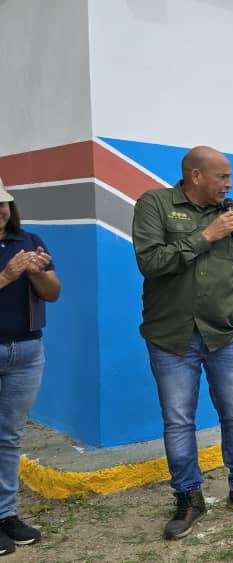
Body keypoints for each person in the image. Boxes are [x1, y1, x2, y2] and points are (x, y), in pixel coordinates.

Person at [132, 146, 233, 541]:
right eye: (222, 177)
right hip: (171, 338)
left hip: (227, 335)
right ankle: (188, 497)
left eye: (230, 177)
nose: (229, 184)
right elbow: (150, 262)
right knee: (179, 420)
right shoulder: (155, 205)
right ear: (196, 176)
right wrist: (206, 236)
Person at [0, 178, 60, 556]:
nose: (0, 211)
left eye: (3, 204)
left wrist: (36, 272)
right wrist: (7, 275)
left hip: (26, 352)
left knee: (9, 437)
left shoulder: (29, 240)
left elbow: (53, 292)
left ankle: (5, 514)